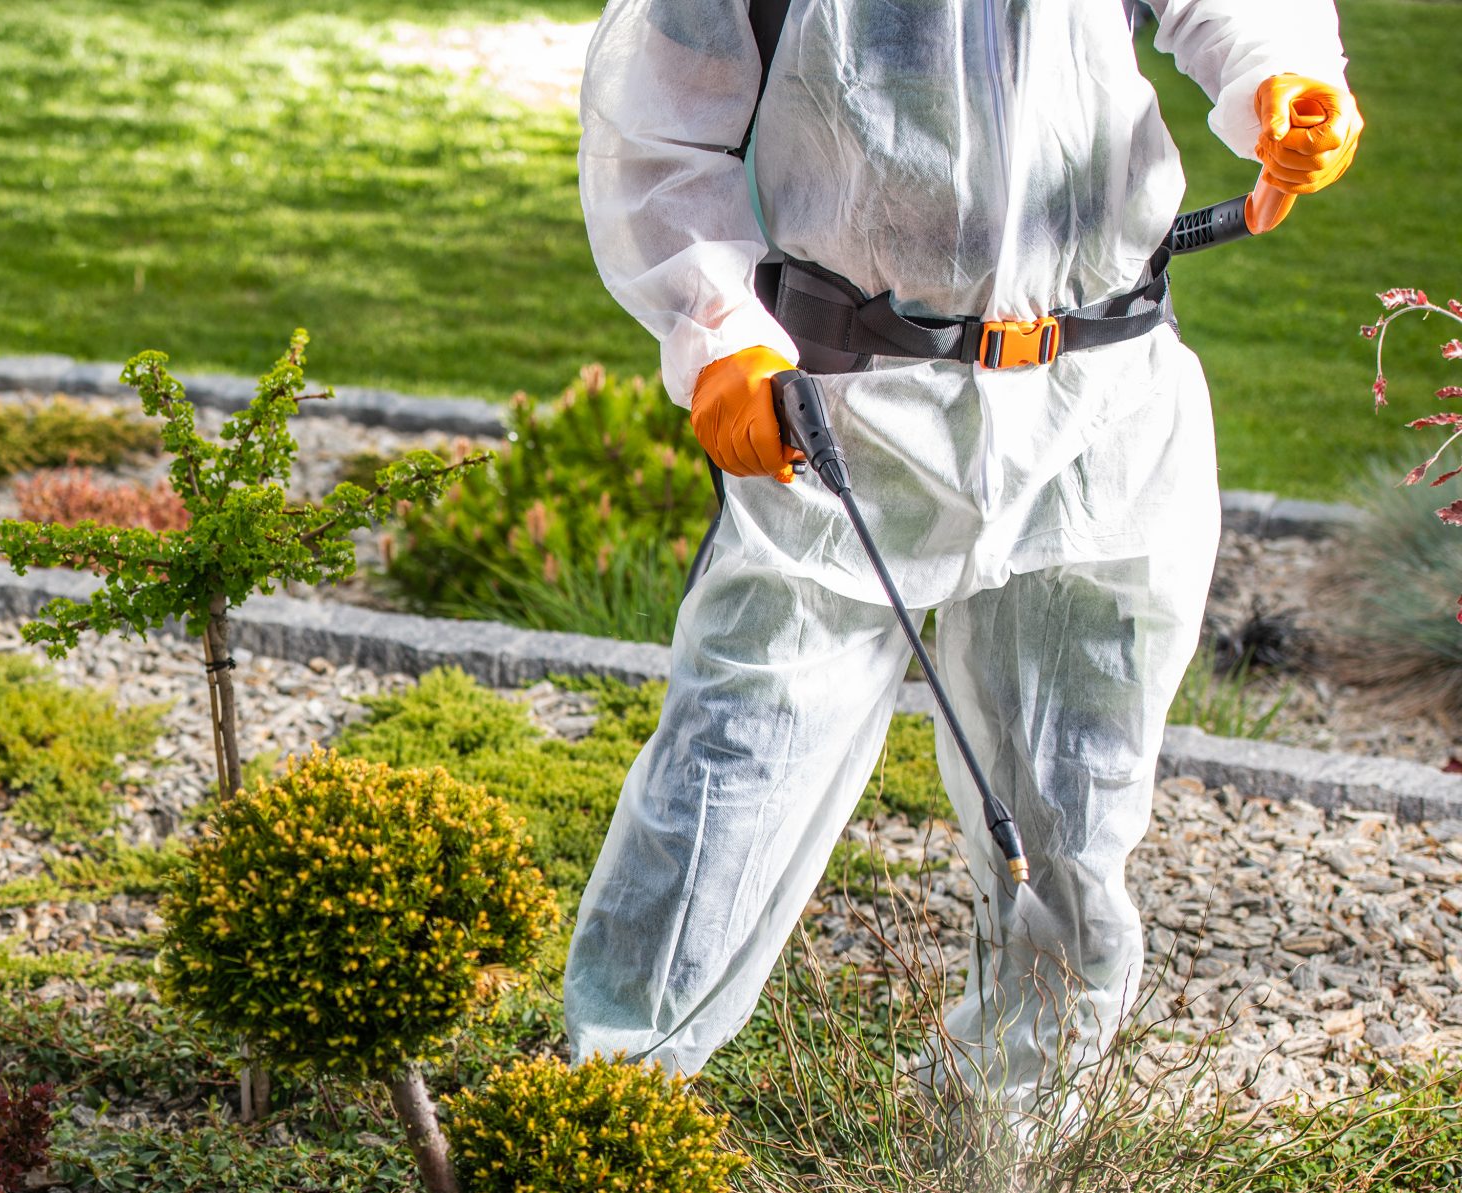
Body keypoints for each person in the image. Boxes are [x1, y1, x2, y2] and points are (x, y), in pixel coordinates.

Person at [565, 0, 1362, 1110]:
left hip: (1100, 393)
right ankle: (608, 1112)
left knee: (1076, 788)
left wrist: (1280, 76)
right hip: (850, 399)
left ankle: (1005, 1124)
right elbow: (654, 129)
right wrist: (717, 332)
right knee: (739, 758)